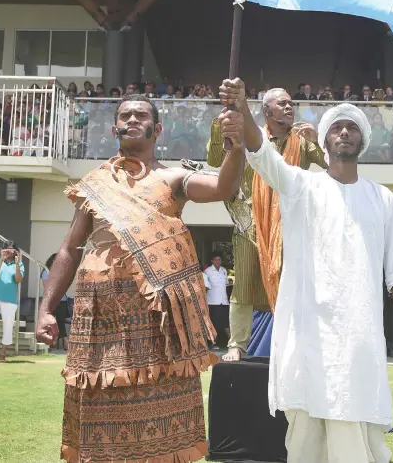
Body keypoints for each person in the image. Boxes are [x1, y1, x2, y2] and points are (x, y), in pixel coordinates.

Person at [35, 94, 246, 463]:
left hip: (157, 320)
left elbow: (223, 188)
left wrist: (236, 147)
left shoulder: (174, 177)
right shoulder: (95, 184)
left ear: (157, 129)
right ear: (115, 127)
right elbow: (69, 249)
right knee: (100, 404)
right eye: (125, 115)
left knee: (162, 410)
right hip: (97, 317)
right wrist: (46, 308)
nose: (132, 119)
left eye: (141, 115)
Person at [219, 78, 393, 463]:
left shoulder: (382, 198)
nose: (344, 132)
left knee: (354, 413)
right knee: (307, 429)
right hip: (308, 333)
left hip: (359, 335)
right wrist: (242, 109)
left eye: (352, 127)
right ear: (323, 143)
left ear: (363, 140)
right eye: (337, 127)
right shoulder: (301, 186)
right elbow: (261, 154)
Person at [207, 87, 327, 362]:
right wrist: (220, 128)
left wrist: (317, 140)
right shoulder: (251, 137)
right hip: (251, 225)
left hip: (290, 227)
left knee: (293, 286)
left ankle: (293, 345)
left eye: (291, 104)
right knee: (244, 288)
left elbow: (332, 166)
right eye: (282, 104)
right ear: (266, 111)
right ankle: (237, 345)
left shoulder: (302, 142)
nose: (289, 108)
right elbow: (215, 160)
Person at [41, 253, 68, 350]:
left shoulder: (62, 272)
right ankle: (52, 340)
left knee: (60, 321)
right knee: (51, 321)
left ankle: (64, 340)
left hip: (62, 300)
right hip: (51, 300)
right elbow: (46, 287)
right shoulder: (46, 272)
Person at [204, 252, 230, 349]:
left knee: (226, 323)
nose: (217, 261)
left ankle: (231, 343)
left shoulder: (224, 270)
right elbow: (205, 287)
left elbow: (226, 285)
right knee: (213, 324)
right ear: (212, 261)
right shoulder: (207, 271)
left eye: (219, 259)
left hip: (224, 301)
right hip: (212, 302)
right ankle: (213, 343)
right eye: (215, 259)